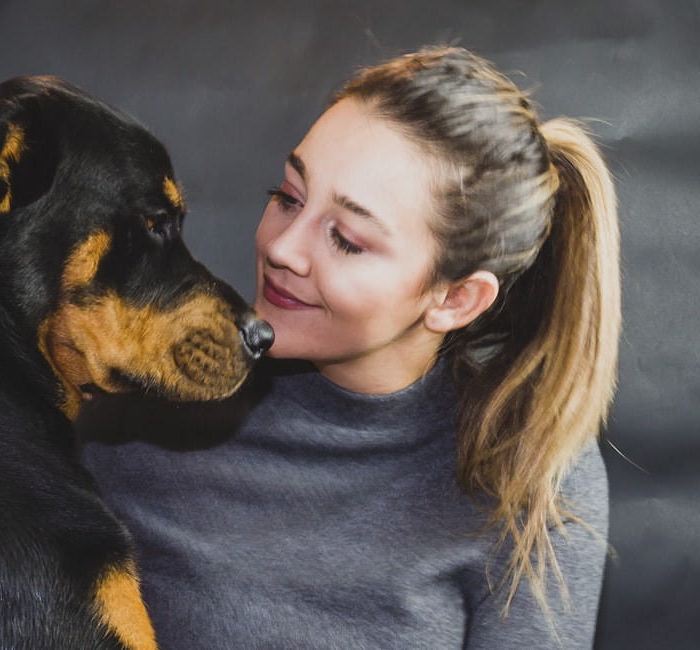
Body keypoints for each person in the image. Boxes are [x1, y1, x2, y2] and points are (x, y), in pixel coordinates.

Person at [79, 45, 620, 649]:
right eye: (288, 196)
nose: (284, 248)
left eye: (347, 239)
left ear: (455, 299)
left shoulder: (533, 471)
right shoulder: (137, 395)